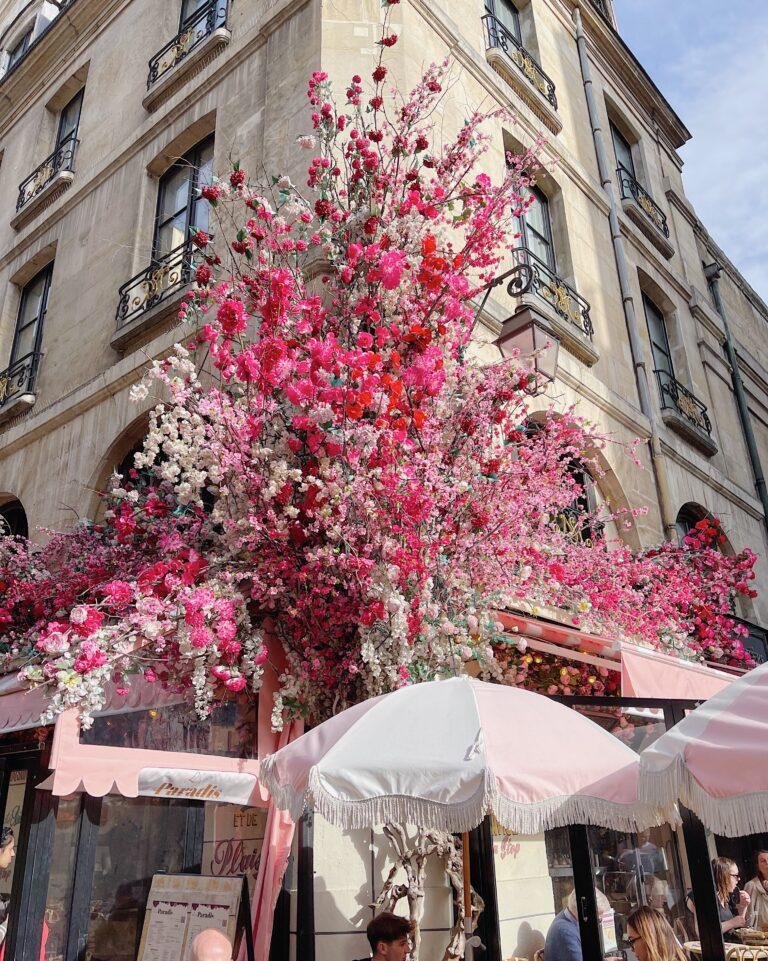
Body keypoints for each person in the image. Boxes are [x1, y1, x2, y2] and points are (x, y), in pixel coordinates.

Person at [544, 888, 615, 961]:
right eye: (598, 919)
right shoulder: (565, 932)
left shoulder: (568, 916)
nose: (599, 923)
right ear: (584, 913)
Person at [687, 857, 750, 936]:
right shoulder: (702, 895)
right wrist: (732, 923)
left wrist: (743, 906)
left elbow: (738, 926)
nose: (739, 879)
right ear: (723, 876)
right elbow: (703, 932)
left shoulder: (725, 896)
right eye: (735, 875)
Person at [745, 848, 768, 930]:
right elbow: (749, 913)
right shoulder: (751, 885)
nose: (767, 862)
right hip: (761, 932)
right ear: (758, 866)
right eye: (763, 861)